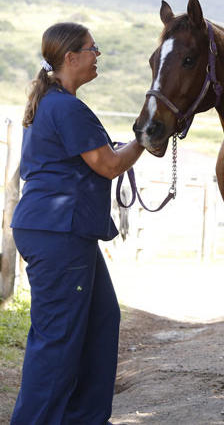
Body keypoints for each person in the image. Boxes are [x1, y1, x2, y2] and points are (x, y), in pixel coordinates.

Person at [10, 22, 145, 424]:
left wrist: (129, 146)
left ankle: (83, 417)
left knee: (102, 319)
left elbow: (97, 157)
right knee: (58, 340)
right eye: (92, 48)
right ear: (70, 58)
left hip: (63, 230)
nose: (97, 54)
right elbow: (109, 164)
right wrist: (147, 138)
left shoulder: (53, 102)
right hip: (59, 234)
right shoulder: (65, 107)